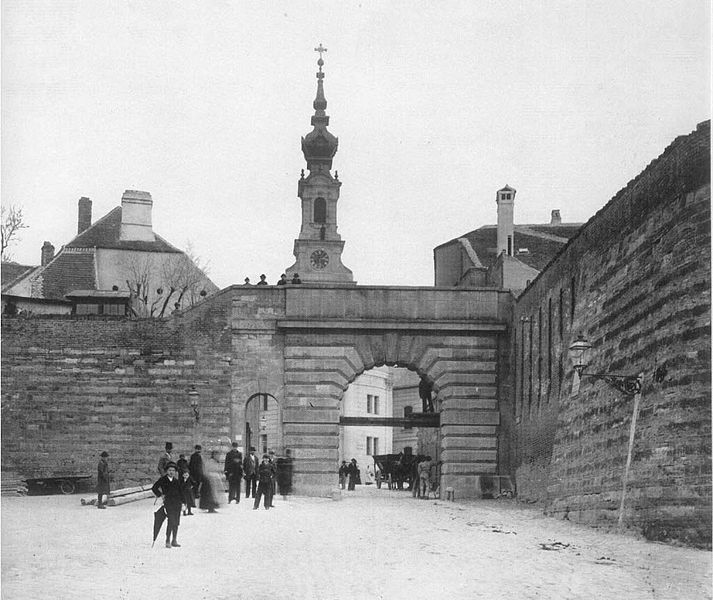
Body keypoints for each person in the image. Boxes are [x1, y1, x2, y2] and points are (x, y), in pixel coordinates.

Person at [151, 461, 186, 548]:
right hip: (168, 504)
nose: (171, 472)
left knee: (176, 522)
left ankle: (174, 540)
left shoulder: (176, 481)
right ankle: (167, 540)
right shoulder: (163, 480)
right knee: (171, 521)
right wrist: (161, 495)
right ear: (167, 471)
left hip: (177, 504)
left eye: (173, 470)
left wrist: (184, 502)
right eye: (170, 470)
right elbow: (154, 488)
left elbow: (181, 492)